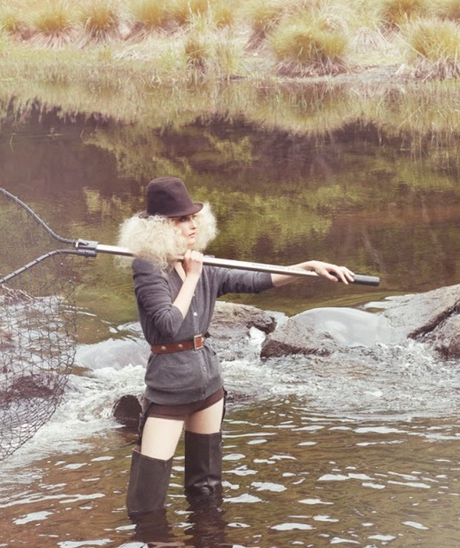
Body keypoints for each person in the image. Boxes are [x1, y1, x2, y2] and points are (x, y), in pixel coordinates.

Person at [119, 176, 354, 521]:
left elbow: (255, 281)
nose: (191, 225)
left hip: (208, 385)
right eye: (181, 219)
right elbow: (168, 324)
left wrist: (307, 268)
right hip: (169, 388)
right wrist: (194, 276)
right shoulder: (148, 268)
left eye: (192, 217)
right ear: (159, 228)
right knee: (147, 504)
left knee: (206, 491)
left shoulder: (201, 264)